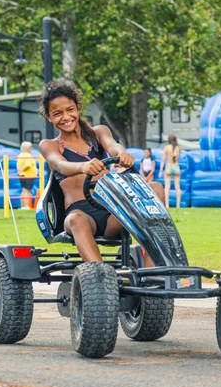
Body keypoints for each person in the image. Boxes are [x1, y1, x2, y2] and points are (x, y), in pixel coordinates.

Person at [38, 79, 164, 263]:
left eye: (70, 109)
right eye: (57, 113)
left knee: (156, 188)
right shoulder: (49, 145)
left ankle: (151, 272)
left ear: (78, 108)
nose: (66, 117)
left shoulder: (98, 133)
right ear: (49, 117)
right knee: (76, 221)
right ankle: (100, 275)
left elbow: (113, 147)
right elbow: (60, 165)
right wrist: (83, 166)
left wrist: (122, 154)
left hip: (112, 211)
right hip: (80, 213)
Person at [159, 134, 182, 208]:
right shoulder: (178, 147)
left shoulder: (167, 147)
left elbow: (163, 159)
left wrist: (161, 170)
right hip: (176, 166)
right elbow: (178, 157)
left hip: (168, 166)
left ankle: (167, 205)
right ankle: (178, 205)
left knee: (167, 187)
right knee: (177, 186)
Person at [16, 141, 37, 210]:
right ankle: (26, 206)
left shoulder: (20, 155)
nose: (31, 149)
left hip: (22, 175)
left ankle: (23, 206)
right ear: (28, 148)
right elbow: (28, 165)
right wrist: (21, 169)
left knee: (24, 190)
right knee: (27, 191)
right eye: (30, 147)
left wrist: (20, 170)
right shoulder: (28, 155)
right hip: (28, 175)